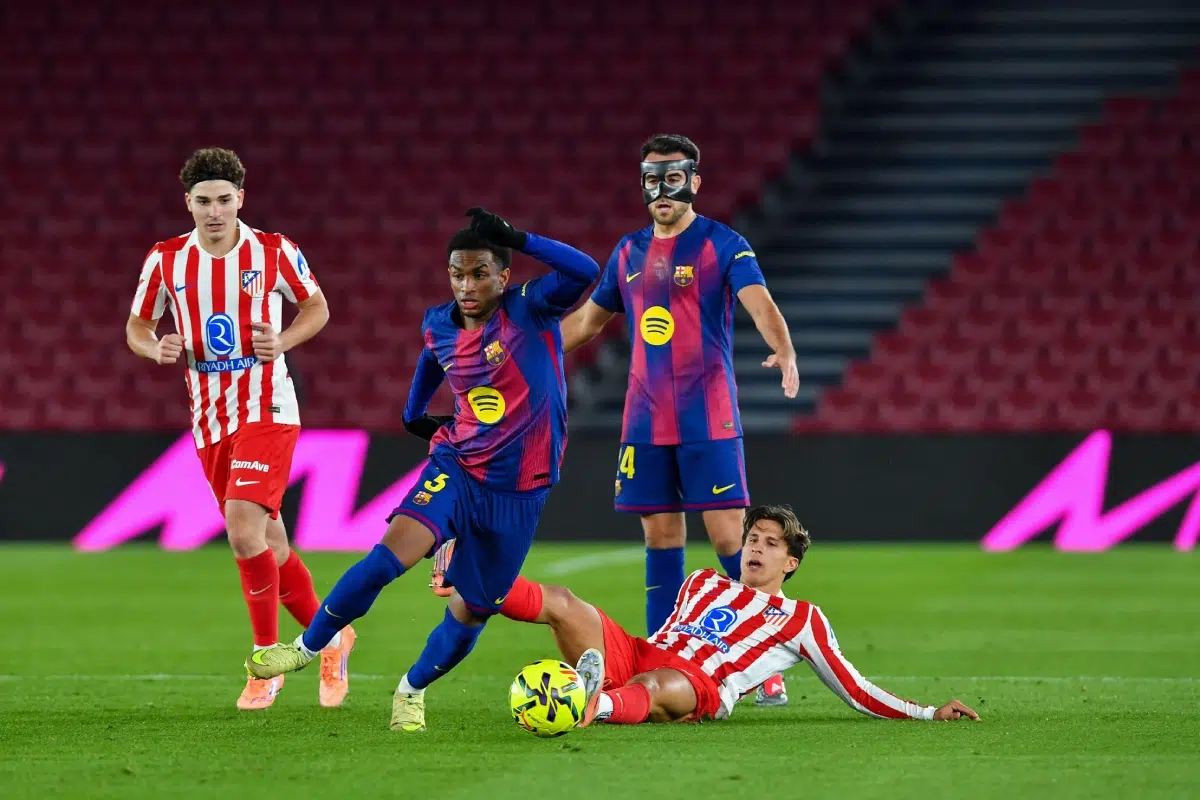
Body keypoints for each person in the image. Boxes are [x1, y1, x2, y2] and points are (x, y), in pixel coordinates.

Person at [245, 208, 601, 732]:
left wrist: (519, 237)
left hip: (521, 489)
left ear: (503, 276)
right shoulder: (438, 322)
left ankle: (411, 690)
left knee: (473, 609)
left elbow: (585, 270)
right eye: (457, 274)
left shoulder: (530, 308)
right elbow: (432, 358)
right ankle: (305, 646)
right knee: (387, 559)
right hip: (459, 465)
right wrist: (413, 412)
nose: (467, 285)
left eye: (480, 273)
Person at [557, 133, 800, 706]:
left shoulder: (723, 244)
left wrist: (784, 349)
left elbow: (760, 304)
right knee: (660, 536)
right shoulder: (628, 253)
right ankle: (662, 658)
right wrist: (524, 355)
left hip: (707, 416)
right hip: (644, 421)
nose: (661, 190)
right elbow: (586, 323)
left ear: (694, 182)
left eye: (673, 178)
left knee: (729, 537)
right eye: (651, 179)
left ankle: (762, 663)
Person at [126, 147, 354, 710]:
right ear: (188, 203)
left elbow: (317, 308)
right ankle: (334, 638)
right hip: (209, 416)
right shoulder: (166, 260)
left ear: (240, 200)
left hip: (267, 405)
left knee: (241, 529)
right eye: (203, 201)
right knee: (270, 543)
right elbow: (137, 325)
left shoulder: (274, 251)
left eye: (224, 200)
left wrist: (285, 341)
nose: (214, 211)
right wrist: (155, 348)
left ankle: (265, 662)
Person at [455, 504, 979, 726]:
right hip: (640, 653)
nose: (756, 547)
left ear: (790, 563)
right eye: (753, 538)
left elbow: (853, 686)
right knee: (565, 601)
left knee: (656, 684)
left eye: (771, 544)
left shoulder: (801, 619)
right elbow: (666, 634)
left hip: (700, 685)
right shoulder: (703, 581)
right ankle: (474, 577)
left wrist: (926, 713)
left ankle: (591, 706)